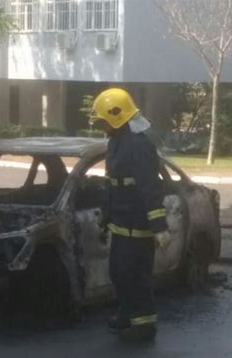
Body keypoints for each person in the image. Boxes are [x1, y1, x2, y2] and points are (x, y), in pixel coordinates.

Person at [91, 88, 170, 343]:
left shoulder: (139, 145)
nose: (99, 124)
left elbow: (150, 187)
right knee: (119, 273)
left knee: (136, 277)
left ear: (116, 116)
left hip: (139, 227)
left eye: (102, 119)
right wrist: (106, 216)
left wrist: (159, 227)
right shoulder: (116, 141)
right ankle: (127, 315)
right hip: (121, 224)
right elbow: (113, 183)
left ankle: (145, 326)